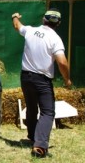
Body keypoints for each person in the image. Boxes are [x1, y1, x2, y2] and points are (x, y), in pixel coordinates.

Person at [12, 8, 72, 158]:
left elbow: (17, 25)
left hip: (25, 77)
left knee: (32, 108)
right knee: (48, 112)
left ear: (43, 19)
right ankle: (39, 145)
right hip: (42, 80)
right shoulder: (55, 38)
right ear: (58, 23)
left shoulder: (30, 31)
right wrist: (67, 79)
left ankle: (32, 137)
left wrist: (15, 16)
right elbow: (62, 62)